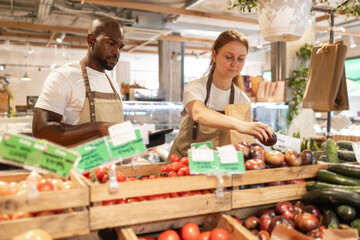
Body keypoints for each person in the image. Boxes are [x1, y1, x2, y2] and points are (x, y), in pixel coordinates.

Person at [169, 30, 274, 159]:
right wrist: (240, 125)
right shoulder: (196, 88)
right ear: (214, 55)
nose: (234, 63)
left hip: (218, 166)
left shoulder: (241, 99)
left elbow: (241, 141)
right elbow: (198, 113)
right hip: (184, 162)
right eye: (229, 57)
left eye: (240, 59)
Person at [32, 17, 125, 146]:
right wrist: (98, 128)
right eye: (111, 44)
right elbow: (42, 130)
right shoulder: (63, 77)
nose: (117, 52)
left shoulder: (113, 84)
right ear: (91, 40)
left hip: (113, 166)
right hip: (76, 165)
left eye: (120, 47)